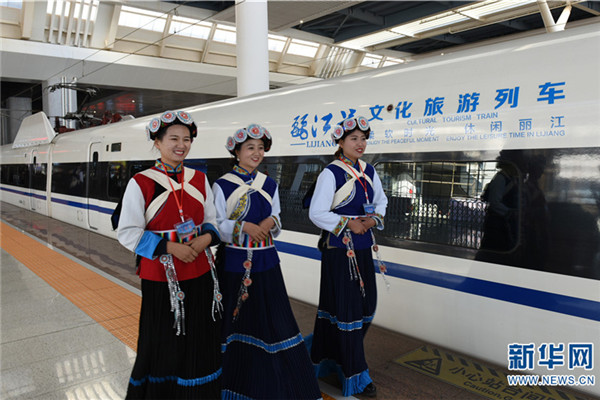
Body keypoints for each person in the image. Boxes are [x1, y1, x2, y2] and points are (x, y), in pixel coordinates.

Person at [116, 110, 222, 399]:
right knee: (161, 340)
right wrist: (169, 247)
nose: (181, 144)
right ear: (158, 142)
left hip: (200, 272)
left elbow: (212, 219)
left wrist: (206, 239)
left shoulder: (199, 179)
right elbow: (127, 231)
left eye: (186, 139)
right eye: (173, 138)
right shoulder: (141, 182)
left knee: (199, 338)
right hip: (161, 277)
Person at [213, 124, 321, 400]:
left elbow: (277, 216)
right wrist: (244, 227)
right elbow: (215, 224)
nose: (257, 153)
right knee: (236, 321)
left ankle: (279, 380)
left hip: (267, 259)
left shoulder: (268, 183)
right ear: (236, 152)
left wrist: (270, 221)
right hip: (234, 261)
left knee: (273, 318)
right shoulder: (222, 184)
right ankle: (234, 383)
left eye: (261, 148)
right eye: (250, 147)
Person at [308, 116, 388, 398]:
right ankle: (355, 375)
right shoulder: (331, 173)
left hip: (363, 247)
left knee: (367, 307)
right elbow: (317, 213)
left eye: (363, 139)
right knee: (347, 313)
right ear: (340, 143)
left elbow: (381, 201)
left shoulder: (369, 170)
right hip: (340, 252)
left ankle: (328, 357)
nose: (360, 144)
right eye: (353, 139)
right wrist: (348, 223)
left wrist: (372, 220)